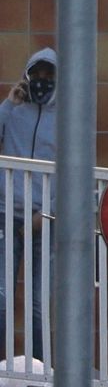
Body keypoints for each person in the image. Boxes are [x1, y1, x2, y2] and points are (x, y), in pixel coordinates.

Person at [0, 48, 57, 359]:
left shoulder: (67, 117)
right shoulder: (14, 110)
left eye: (49, 75)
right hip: (6, 214)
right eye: (36, 74)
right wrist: (9, 104)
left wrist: (47, 214)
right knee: (2, 297)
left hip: (42, 220)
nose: (42, 80)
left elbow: (72, 171)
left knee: (37, 302)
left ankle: (39, 371)